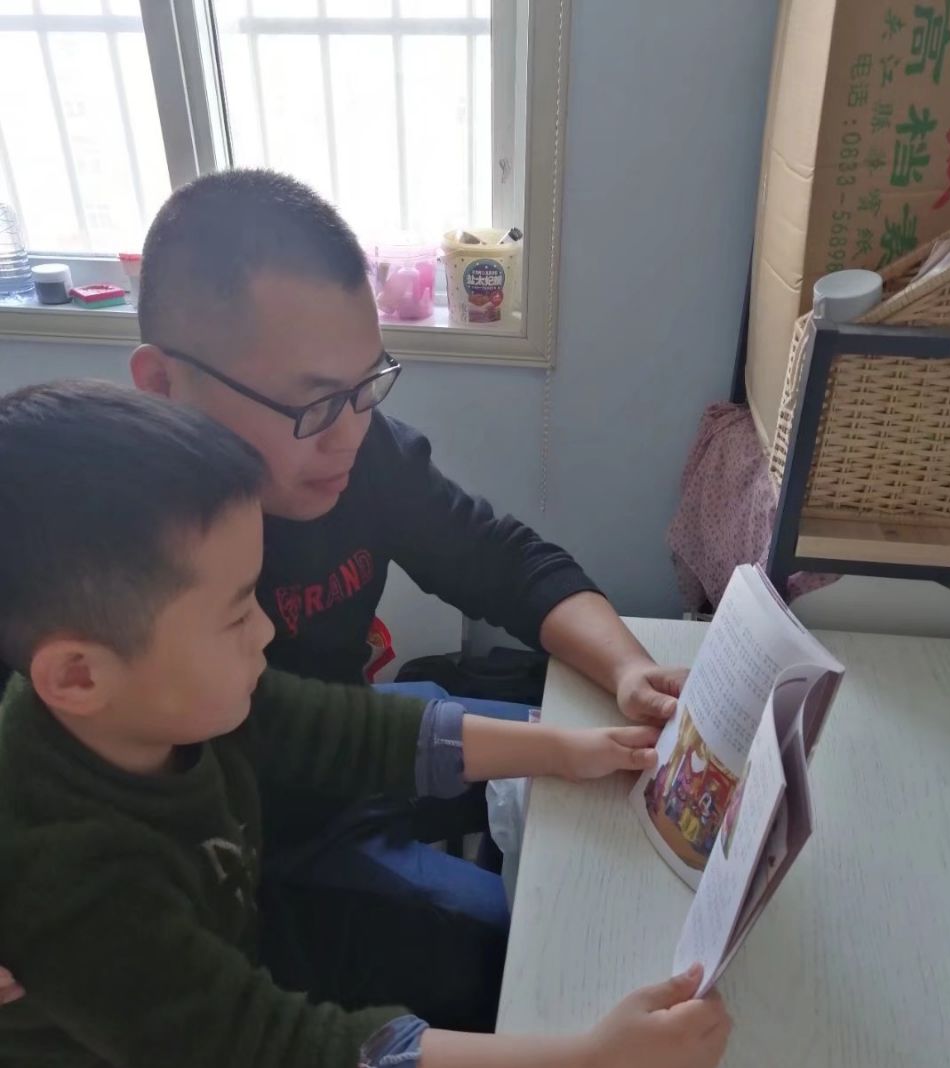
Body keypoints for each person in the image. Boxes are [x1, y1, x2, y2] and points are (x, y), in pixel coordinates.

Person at [0, 383, 731, 1068]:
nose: (269, 628)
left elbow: (343, 727)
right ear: (79, 676)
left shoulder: (152, 699)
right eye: (236, 612)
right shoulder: (71, 878)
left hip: (226, 964)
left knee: (489, 990)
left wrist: (561, 749)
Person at [128, 168, 688, 915]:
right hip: (258, 851)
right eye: (315, 404)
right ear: (163, 385)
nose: (351, 435)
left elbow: (501, 559)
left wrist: (628, 669)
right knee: (508, 941)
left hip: (371, 743)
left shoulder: (361, 453)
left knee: (616, 765)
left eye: (367, 386)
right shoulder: (104, 562)